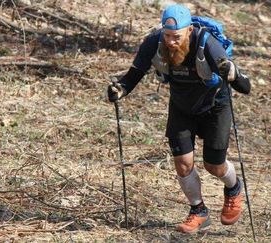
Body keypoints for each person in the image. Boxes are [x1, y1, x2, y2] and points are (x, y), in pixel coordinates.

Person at [107, 4, 251, 233]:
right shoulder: (155, 43)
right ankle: (198, 211)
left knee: (214, 166)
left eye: (176, 36)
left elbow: (245, 87)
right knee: (183, 164)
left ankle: (233, 189)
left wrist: (232, 73)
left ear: (189, 31)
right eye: (167, 35)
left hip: (215, 106)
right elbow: (135, 73)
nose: (171, 41)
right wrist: (121, 89)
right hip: (182, 107)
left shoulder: (207, 44)